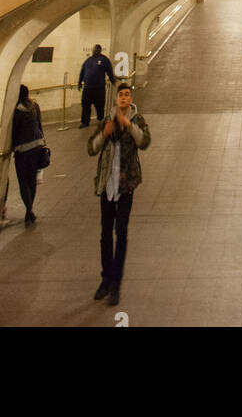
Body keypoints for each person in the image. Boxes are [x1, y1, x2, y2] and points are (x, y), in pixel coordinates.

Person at [88, 83, 150, 306]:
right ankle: (106, 279)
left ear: (130, 99)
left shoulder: (136, 119)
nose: (124, 98)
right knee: (106, 234)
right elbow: (91, 148)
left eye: (127, 95)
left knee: (121, 233)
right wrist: (104, 134)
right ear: (115, 100)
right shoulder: (106, 120)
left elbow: (145, 142)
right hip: (107, 185)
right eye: (120, 95)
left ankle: (116, 284)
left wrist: (129, 126)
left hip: (126, 186)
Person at [11, 84, 45, 224]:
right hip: (37, 145)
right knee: (32, 181)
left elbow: (14, 132)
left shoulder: (17, 111)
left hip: (23, 149)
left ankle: (29, 210)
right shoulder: (35, 106)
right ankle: (29, 210)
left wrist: (12, 147)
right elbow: (40, 125)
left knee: (23, 181)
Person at [77, 44, 116, 127]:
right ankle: (85, 122)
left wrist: (113, 80)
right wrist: (79, 83)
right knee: (85, 105)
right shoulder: (88, 60)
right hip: (87, 88)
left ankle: (100, 119)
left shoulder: (104, 60)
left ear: (99, 50)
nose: (94, 50)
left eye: (96, 49)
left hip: (99, 88)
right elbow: (82, 72)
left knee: (100, 105)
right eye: (94, 49)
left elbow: (109, 70)